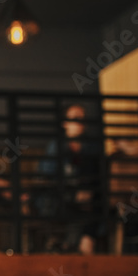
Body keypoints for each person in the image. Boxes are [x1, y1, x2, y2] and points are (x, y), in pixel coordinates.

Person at [36, 104, 104, 255]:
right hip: (59, 198)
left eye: (82, 119)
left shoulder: (91, 147)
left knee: (95, 202)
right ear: (64, 123)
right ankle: (74, 244)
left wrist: (87, 191)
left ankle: (83, 242)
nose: (79, 122)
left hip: (87, 200)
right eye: (74, 118)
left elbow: (96, 177)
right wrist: (73, 193)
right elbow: (46, 177)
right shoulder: (56, 147)